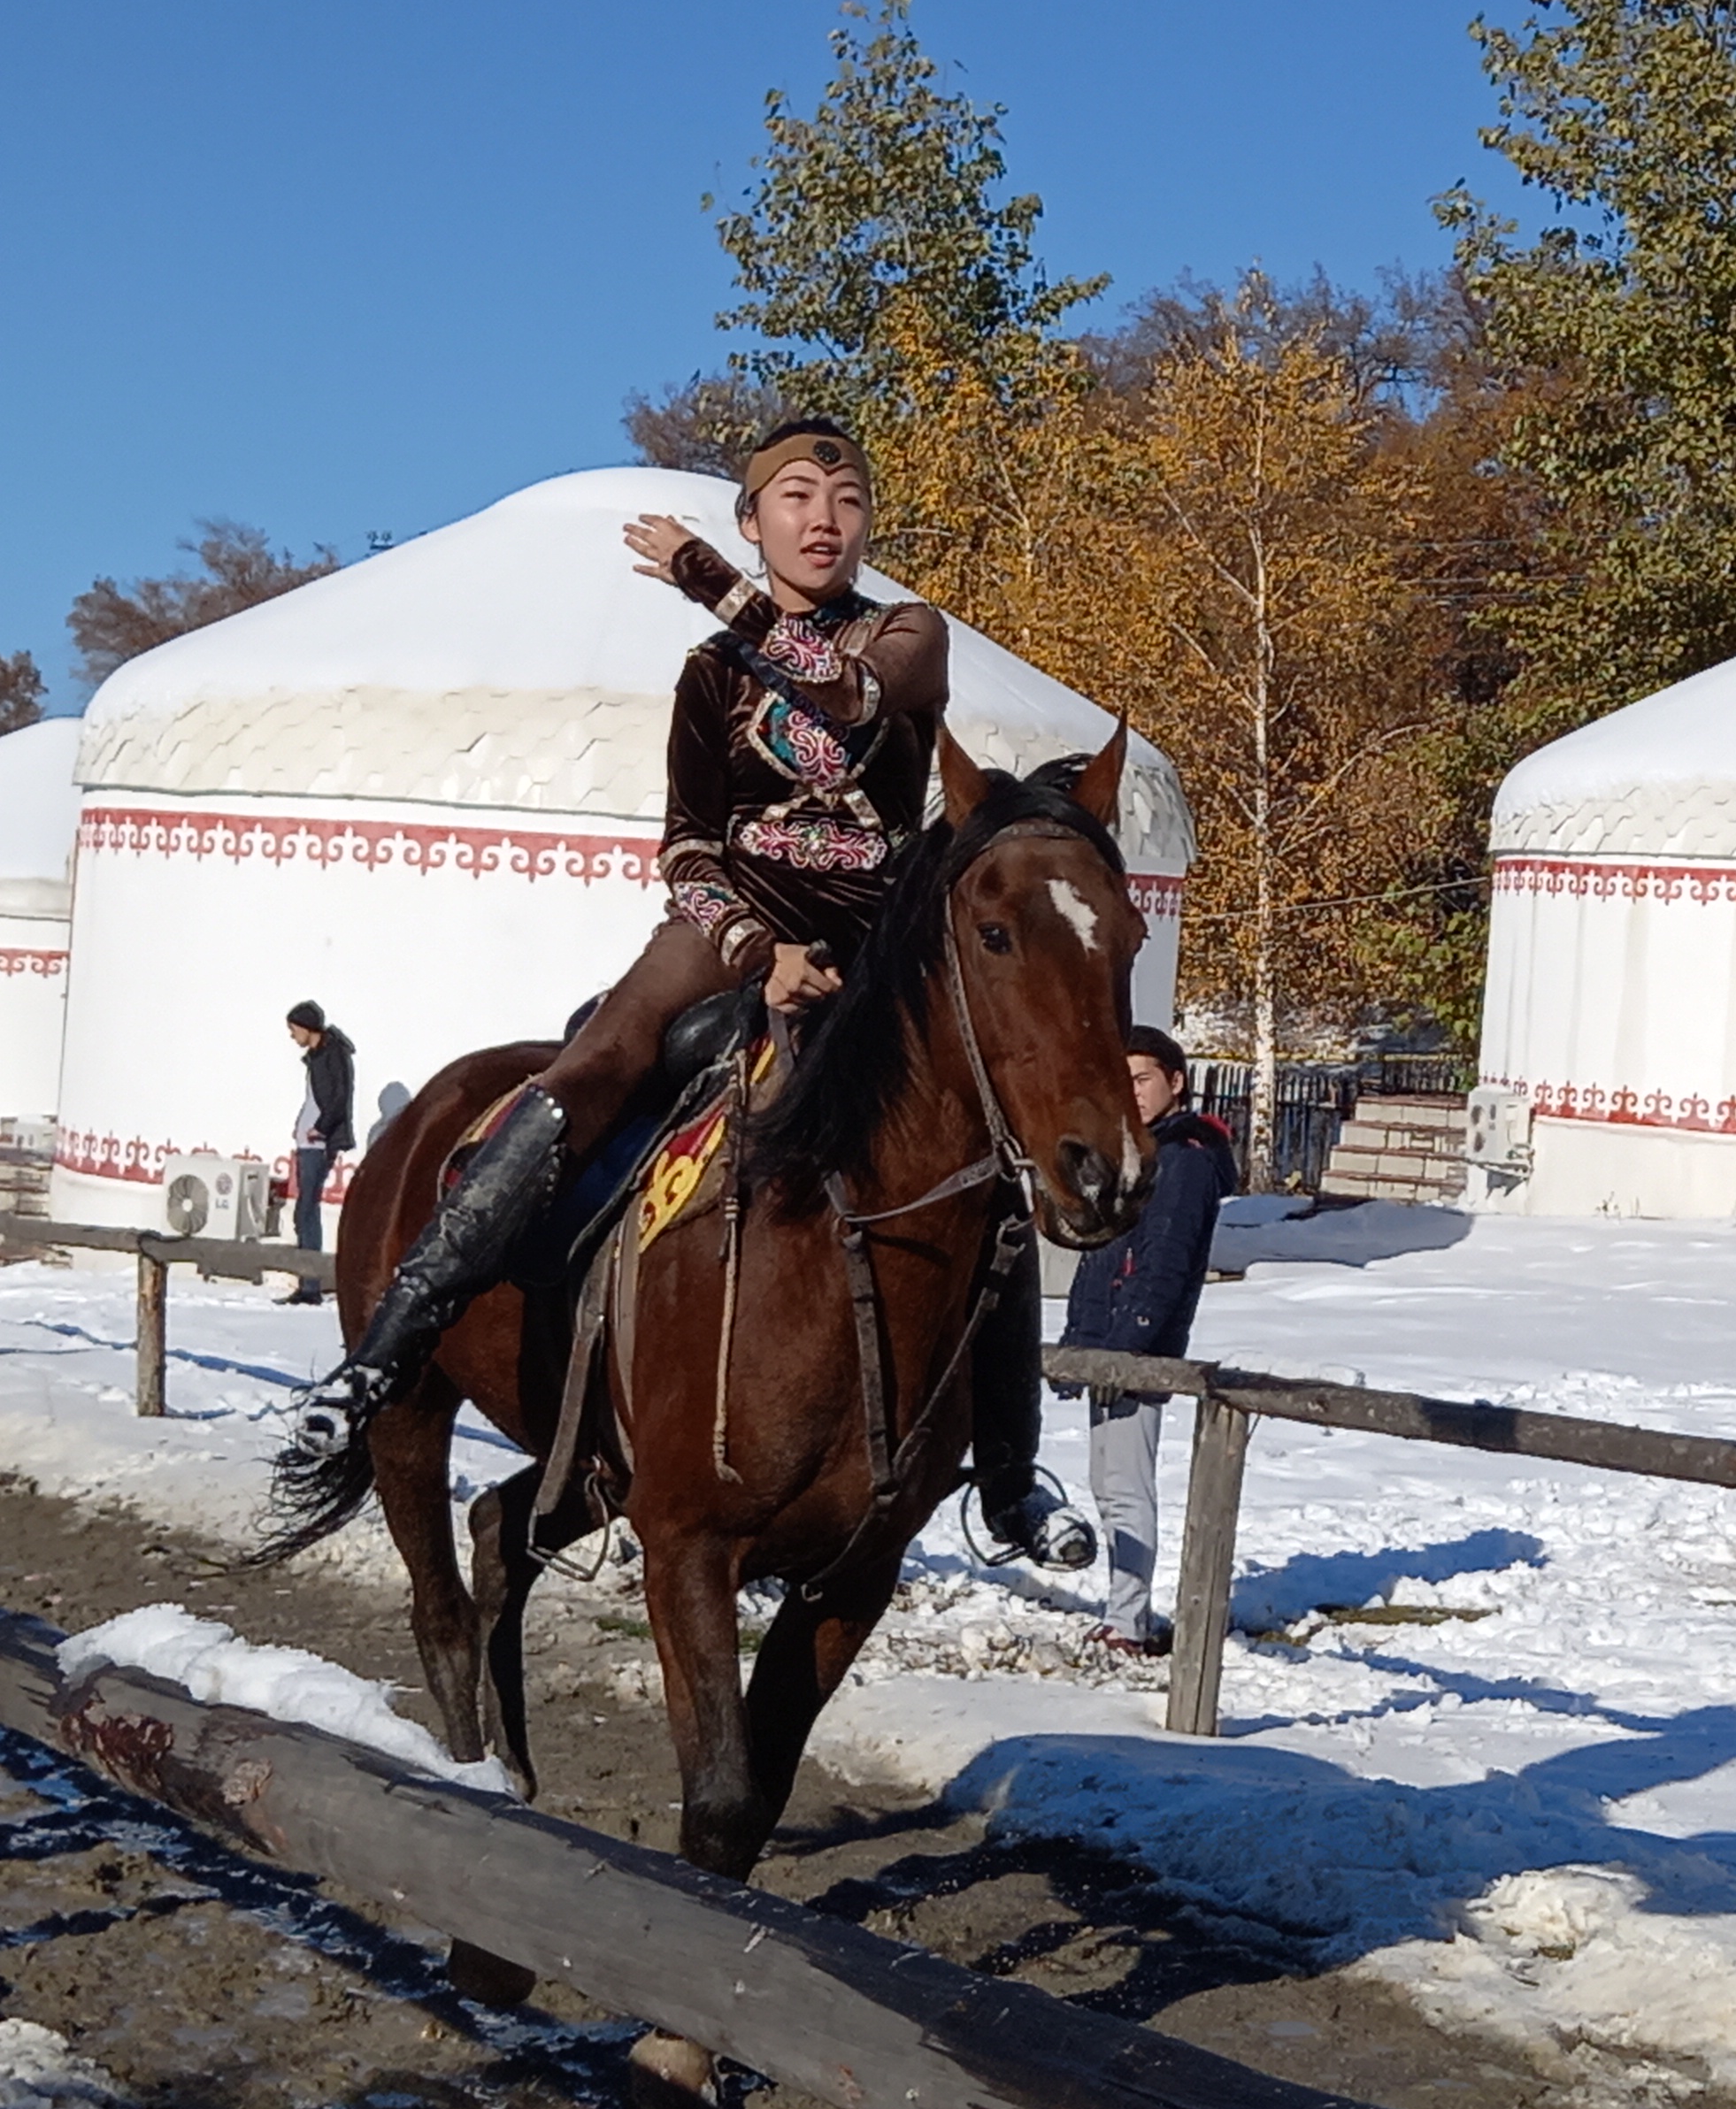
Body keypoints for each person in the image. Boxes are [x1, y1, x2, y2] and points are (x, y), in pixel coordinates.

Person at [292, 418, 1095, 1566]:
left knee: (988, 1167)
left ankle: (1009, 1479)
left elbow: (849, 694)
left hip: (878, 940)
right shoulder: (710, 675)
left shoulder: (912, 637)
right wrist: (757, 951)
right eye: (797, 496)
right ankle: (385, 1351)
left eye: (850, 499)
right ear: (755, 517)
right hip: (726, 930)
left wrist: (707, 583)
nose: (825, 518)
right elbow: (685, 847)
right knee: (587, 1072)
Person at [1056, 1027, 1234, 1654]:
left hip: (1137, 1350)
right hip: (1107, 1341)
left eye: (1142, 1079)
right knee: (1108, 1484)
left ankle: (1129, 1622)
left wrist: (1128, 1344)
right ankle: (1122, 1610)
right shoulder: (1136, 1152)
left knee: (1127, 1487)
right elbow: (1101, 1253)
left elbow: (1165, 1265)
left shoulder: (1183, 1160)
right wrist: (1080, 1341)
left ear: (1176, 1082)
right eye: (1121, 1081)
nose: (1130, 1093)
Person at [281, 1003, 357, 1303]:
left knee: (307, 1210)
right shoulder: (316, 1058)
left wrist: (320, 1129)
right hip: (308, 1142)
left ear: (307, 1026)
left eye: (293, 1029)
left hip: (318, 1144)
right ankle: (307, 1282)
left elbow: (340, 1098)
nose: (292, 1035)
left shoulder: (333, 1055)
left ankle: (310, 1285)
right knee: (304, 1210)